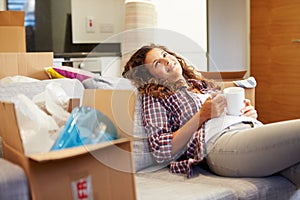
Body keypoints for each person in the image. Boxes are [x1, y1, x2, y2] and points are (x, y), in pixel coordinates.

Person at [122, 44, 300, 186]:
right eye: (157, 63)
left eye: (165, 55)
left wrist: (247, 114)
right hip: (216, 143)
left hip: (245, 129)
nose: (166, 60)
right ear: (149, 77)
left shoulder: (201, 85)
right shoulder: (155, 97)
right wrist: (202, 115)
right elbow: (161, 151)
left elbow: (227, 112)